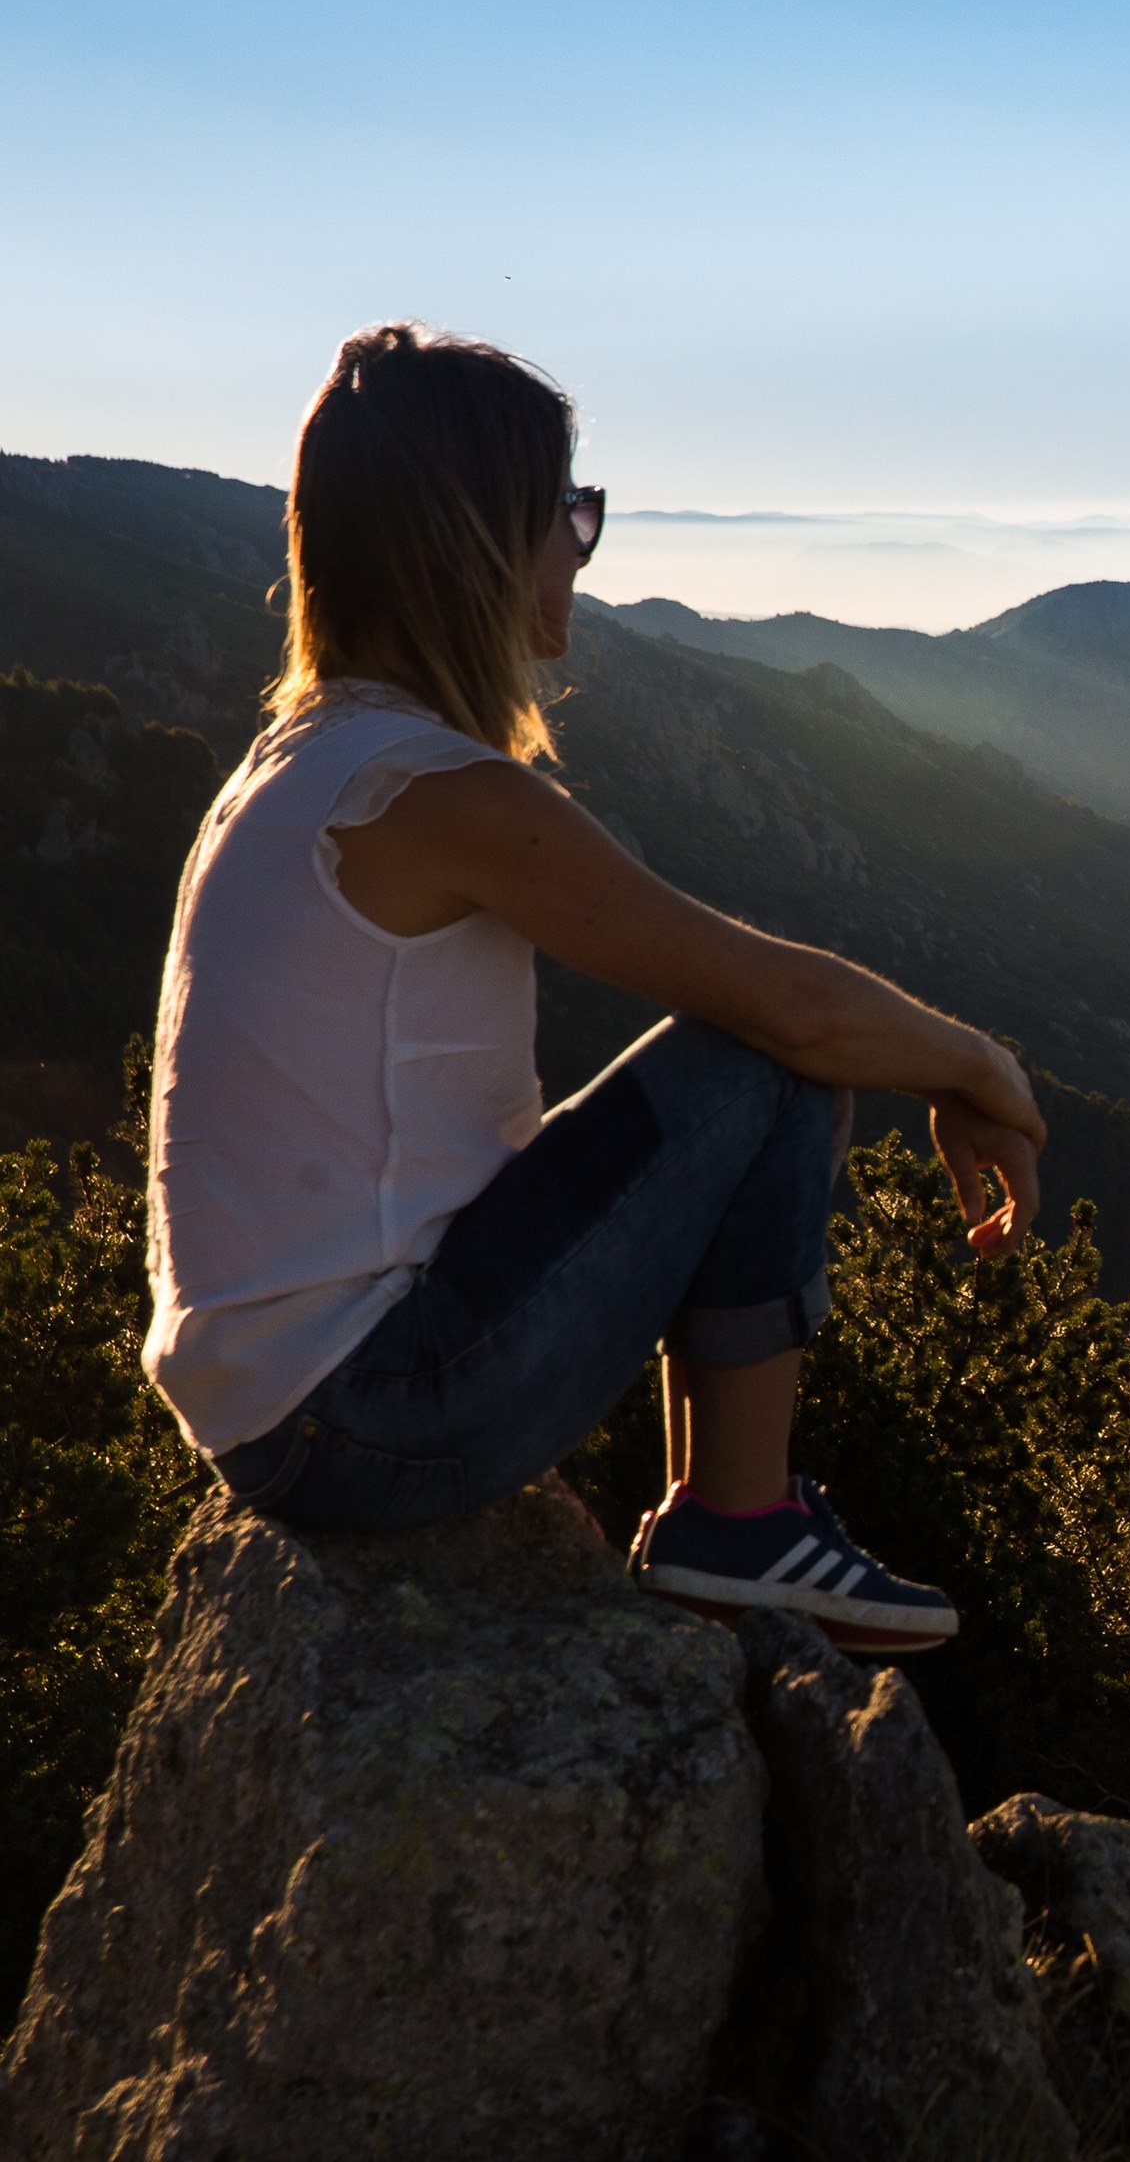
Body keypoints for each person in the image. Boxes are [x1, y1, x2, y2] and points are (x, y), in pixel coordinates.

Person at [140, 323, 1045, 1653]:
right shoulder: (429, 791)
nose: (582, 544)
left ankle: (719, 1522)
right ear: (476, 539)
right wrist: (982, 1069)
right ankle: (738, 1522)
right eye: (568, 512)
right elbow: (785, 1007)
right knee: (763, 1061)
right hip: (371, 1409)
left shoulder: (294, 770)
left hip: (278, 1405)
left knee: (749, 1052)